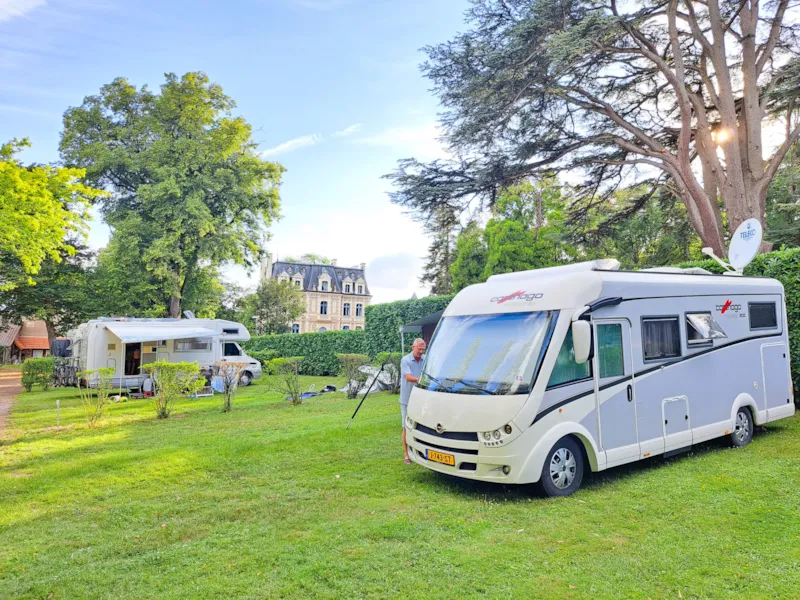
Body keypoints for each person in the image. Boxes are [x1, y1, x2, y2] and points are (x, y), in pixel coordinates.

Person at [400, 338, 426, 464]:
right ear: (413, 347)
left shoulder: (425, 359)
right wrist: (422, 380)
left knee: (422, 426)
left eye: (423, 349)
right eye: (419, 349)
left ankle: (422, 452)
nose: (421, 351)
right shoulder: (405, 360)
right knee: (406, 427)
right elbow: (409, 377)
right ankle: (406, 455)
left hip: (422, 399)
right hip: (407, 399)